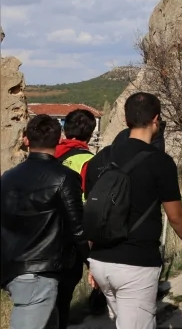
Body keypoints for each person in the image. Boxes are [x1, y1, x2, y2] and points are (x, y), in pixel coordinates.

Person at [87, 93, 182, 329]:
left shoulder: (100, 159)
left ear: (126, 119)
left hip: (102, 262)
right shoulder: (160, 162)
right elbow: (176, 216)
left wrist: (92, 260)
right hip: (136, 265)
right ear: (156, 120)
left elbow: (94, 212)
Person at [2, 114, 89, 329]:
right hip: (41, 271)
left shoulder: (7, 177)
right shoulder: (64, 177)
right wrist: (92, 262)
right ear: (59, 139)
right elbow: (78, 228)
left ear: (27, 140)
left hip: (13, 268)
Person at [54, 109, 96, 326]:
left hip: (45, 231)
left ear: (65, 128)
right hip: (73, 234)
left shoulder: (49, 154)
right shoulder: (90, 161)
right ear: (90, 134)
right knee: (64, 295)